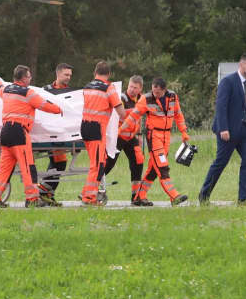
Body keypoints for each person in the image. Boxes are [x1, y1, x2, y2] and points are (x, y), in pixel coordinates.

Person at [0, 65, 62, 208]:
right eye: (29, 76)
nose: (30, 78)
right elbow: (44, 105)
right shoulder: (28, 93)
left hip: (5, 133)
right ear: (23, 78)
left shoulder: (7, 90)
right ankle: (32, 199)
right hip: (19, 133)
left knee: (5, 169)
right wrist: (59, 109)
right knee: (28, 167)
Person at [120, 77, 189, 206]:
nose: (154, 94)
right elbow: (133, 116)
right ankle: (174, 196)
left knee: (153, 170)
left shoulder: (173, 96)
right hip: (154, 136)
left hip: (166, 136)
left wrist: (183, 131)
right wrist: (120, 129)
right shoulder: (146, 99)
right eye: (153, 91)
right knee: (162, 166)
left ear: (164, 90)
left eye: (157, 92)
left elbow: (178, 114)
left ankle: (139, 196)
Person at [198, 53, 246, 205]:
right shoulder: (228, 82)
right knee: (220, 163)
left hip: (245, 131)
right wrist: (223, 128)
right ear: (241, 65)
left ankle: (244, 198)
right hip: (227, 131)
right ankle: (204, 196)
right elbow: (221, 106)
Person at [80, 61, 126, 205]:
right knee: (98, 165)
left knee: (99, 160)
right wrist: (129, 115)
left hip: (84, 127)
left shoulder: (87, 87)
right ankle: (89, 197)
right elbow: (120, 112)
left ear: (95, 72)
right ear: (109, 74)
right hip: (97, 129)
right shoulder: (109, 88)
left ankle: (87, 194)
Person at [103, 75, 145, 203]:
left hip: (131, 137)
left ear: (140, 88)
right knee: (108, 163)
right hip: (117, 136)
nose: (132, 89)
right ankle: (92, 189)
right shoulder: (121, 98)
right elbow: (120, 113)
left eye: (135, 87)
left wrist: (138, 134)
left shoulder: (142, 99)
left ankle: (136, 196)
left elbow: (139, 119)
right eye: (130, 86)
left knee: (138, 161)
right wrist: (136, 111)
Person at [40, 62, 74, 205]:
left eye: (70, 75)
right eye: (66, 75)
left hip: (64, 132)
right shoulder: (45, 90)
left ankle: (46, 193)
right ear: (58, 73)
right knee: (59, 161)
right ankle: (44, 191)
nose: (68, 78)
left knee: (58, 162)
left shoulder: (72, 92)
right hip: (48, 132)